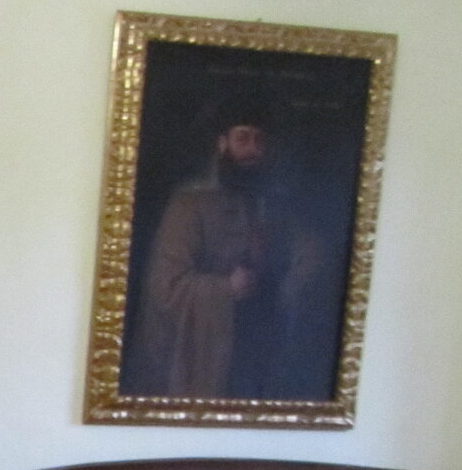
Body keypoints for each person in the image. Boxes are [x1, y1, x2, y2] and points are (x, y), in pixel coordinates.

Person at [128, 107, 331, 400]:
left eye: (259, 140)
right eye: (243, 138)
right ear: (223, 144)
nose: (253, 149)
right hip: (209, 347)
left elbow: (311, 254)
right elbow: (166, 287)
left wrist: (289, 286)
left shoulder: (275, 203)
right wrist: (225, 289)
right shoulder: (189, 204)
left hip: (263, 343)